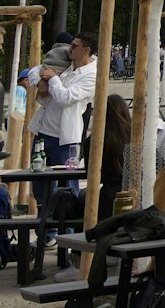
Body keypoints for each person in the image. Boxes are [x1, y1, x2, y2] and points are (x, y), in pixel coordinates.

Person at [27, 30, 96, 226]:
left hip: (66, 139)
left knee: (67, 187)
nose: (69, 49)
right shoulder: (66, 60)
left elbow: (67, 98)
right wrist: (40, 81)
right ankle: (44, 231)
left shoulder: (92, 75)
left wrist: (52, 79)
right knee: (40, 186)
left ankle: (69, 231)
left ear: (86, 50)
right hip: (42, 132)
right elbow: (34, 70)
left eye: (74, 46)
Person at [92, 93, 133, 202]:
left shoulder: (94, 141)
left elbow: (91, 175)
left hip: (108, 195)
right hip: (133, 193)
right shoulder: (134, 136)